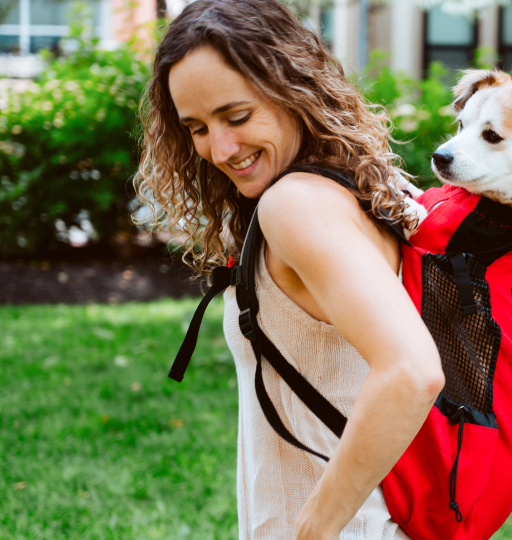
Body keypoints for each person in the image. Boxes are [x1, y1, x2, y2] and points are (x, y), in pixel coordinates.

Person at [135, 1, 444, 538]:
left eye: (236, 117)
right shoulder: (368, 187)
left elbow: (411, 371)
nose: (220, 148)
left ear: (291, 89)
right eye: (196, 127)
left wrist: (315, 528)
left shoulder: (295, 206)